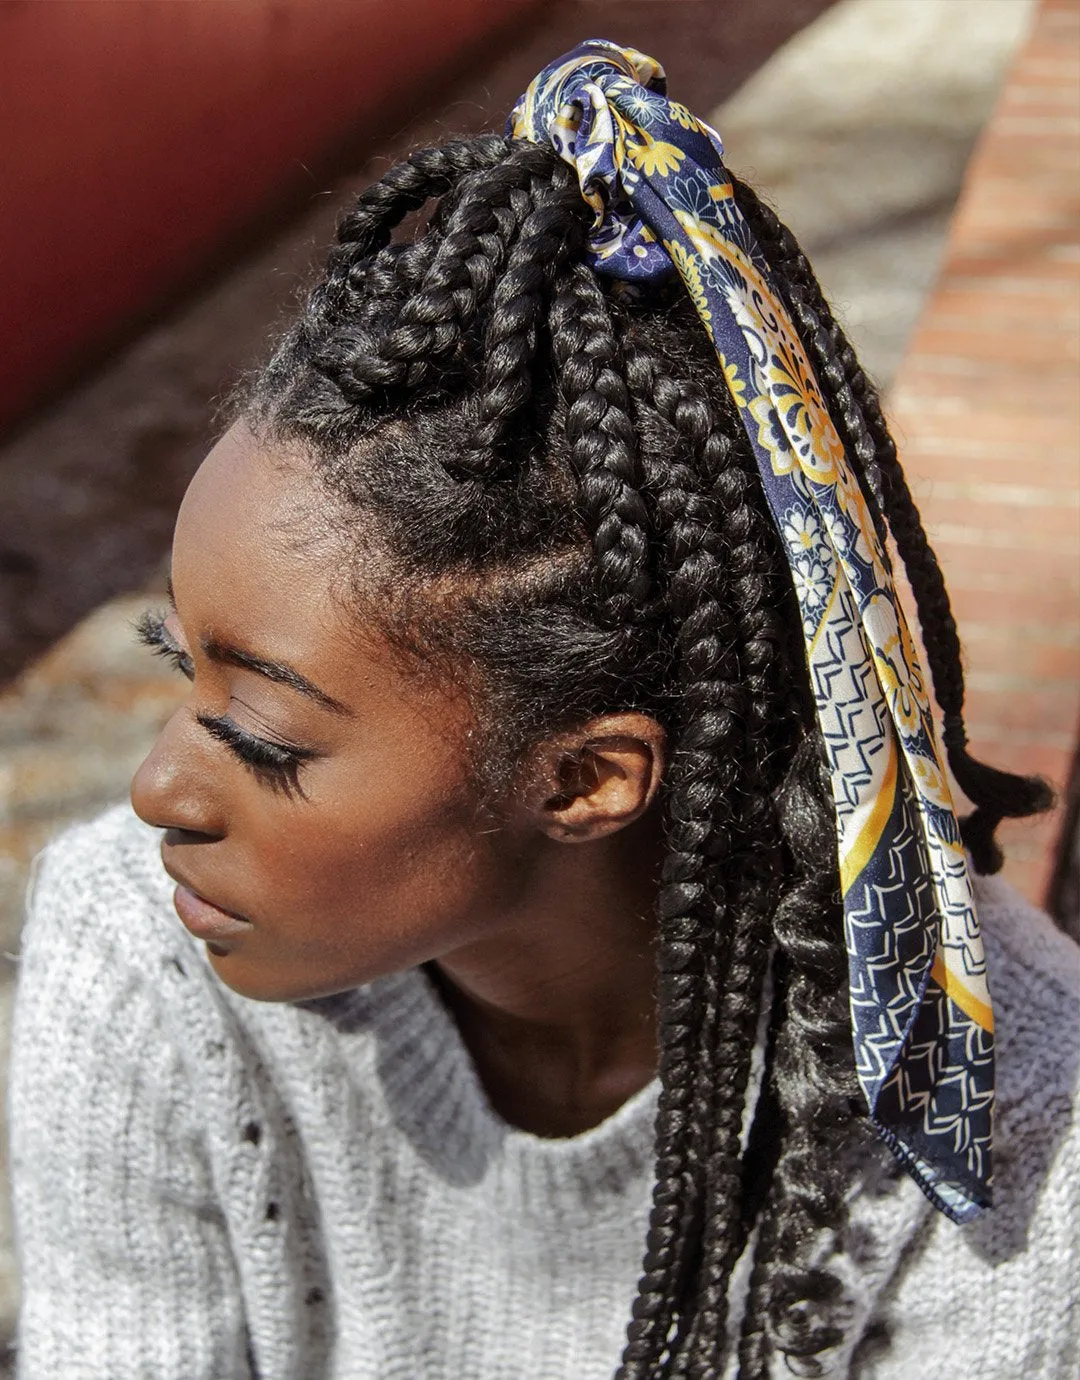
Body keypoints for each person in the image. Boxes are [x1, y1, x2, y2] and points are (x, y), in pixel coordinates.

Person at [8, 40, 1078, 1380]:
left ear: (585, 781)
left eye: (270, 742)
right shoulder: (134, 942)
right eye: (184, 668)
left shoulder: (1002, 1130)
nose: (160, 790)